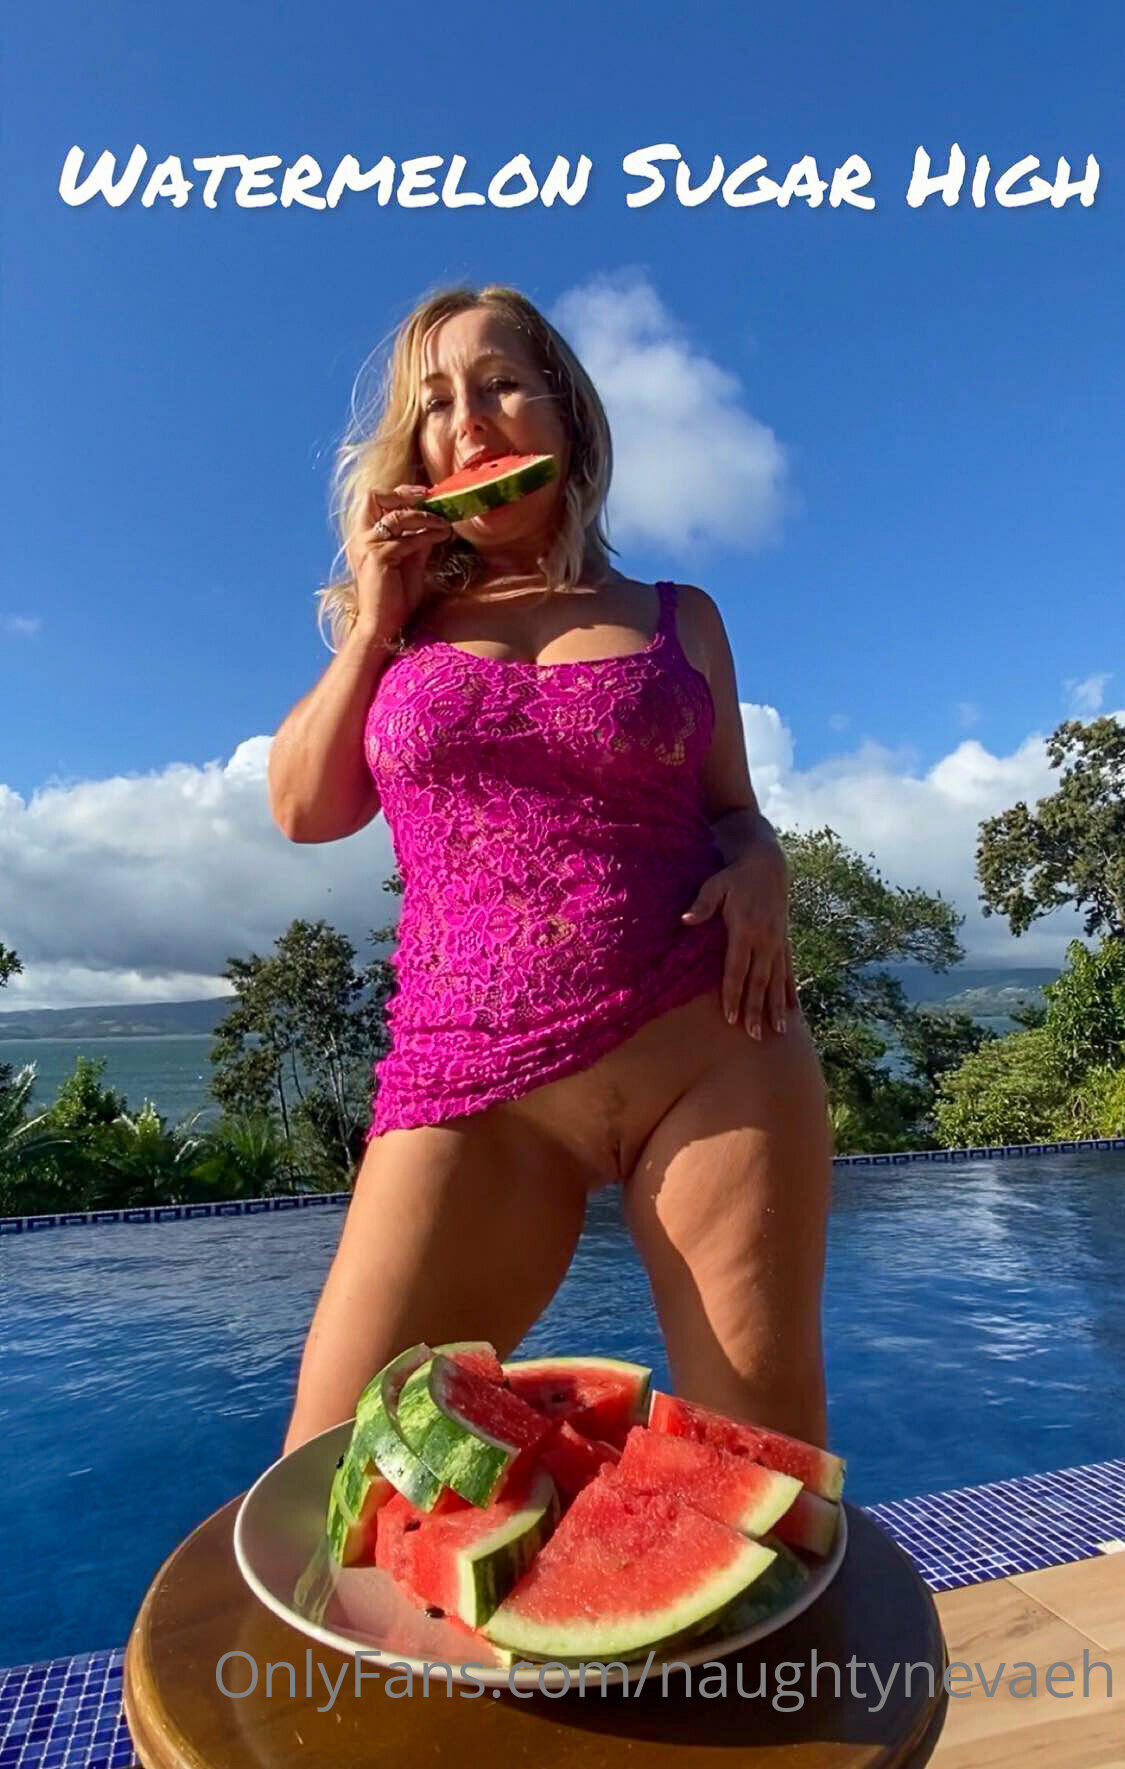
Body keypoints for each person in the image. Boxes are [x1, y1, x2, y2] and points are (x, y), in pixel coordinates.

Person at [269, 284, 834, 1460]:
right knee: (333, 1468)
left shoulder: (681, 616)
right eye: (436, 402)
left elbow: (734, 810)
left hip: (711, 1049)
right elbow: (306, 810)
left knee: (766, 1473)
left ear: (568, 414)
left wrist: (764, 861)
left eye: (500, 384)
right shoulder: (399, 636)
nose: (469, 419)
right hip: (471, 1084)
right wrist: (375, 620)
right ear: (415, 450)